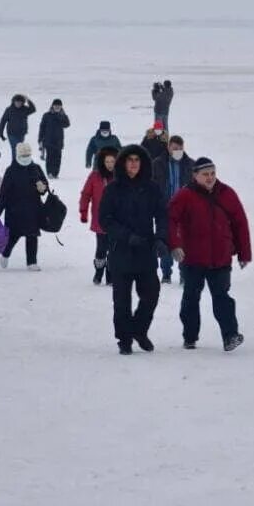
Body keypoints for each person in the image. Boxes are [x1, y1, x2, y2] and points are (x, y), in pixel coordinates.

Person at [169, 157, 251, 351]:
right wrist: (175, 245)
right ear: (195, 175)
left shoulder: (227, 193)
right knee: (190, 298)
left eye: (213, 173)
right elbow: (170, 220)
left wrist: (244, 253)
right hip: (192, 258)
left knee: (222, 297)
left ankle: (230, 336)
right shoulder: (184, 196)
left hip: (220, 257)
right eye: (205, 174)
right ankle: (190, 336)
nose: (210, 178)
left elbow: (240, 223)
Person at [99, 144, 169, 355]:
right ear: (122, 163)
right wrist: (126, 236)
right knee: (121, 301)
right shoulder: (112, 189)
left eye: (137, 160)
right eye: (129, 160)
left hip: (146, 251)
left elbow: (162, 215)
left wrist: (160, 238)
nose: (133, 164)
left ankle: (139, 329)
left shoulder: (152, 187)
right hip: (121, 252)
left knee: (151, 294)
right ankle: (124, 339)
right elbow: (105, 220)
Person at [0, 142, 49, 271]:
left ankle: (32, 262)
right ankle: (5, 254)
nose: (26, 157)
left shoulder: (36, 168)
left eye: (28, 154)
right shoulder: (11, 170)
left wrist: (43, 187)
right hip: (14, 209)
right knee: (13, 235)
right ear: (18, 155)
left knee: (32, 235)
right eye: (23, 155)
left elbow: (45, 185)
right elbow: (4, 192)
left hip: (33, 208)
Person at [151, 135, 193, 283]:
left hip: (184, 211)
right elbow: (151, 186)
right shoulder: (157, 164)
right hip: (164, 209)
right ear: (168, 148)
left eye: (180, 149)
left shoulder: (190, 165)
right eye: (175, 149)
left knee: (184, 241)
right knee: (165, 240)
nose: (178, 151)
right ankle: (166, 273)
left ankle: (184, 273)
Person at [79, 146, 119, 285]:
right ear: (103, 162)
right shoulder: (95, 176)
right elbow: (85, 194)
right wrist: (83, 212)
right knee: (101, 248)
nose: (110, 165)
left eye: (112, 162)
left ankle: (111, 274)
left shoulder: (120, 176)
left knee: (114, 249)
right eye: (107, 162)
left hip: (117, 220)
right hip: (100, 219)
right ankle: (99, 271)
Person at [38, 98, 70, 179]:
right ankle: (49, 173)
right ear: (52, 106)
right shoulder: (46, 115)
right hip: (48, 141)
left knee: (58, 158)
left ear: (61, 107)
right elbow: (42, 127)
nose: (57, 107)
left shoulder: (63, 115)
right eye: (55, 106)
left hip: (59, 141)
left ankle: (55, 173)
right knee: (49, 157)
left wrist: (61, 116)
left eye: (59, 106)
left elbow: (67, 124)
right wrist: (40, 139)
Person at [0, 94, 36, 160]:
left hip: (21, 133)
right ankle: (15, 163)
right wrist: (1, 133)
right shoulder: (9, 110)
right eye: (17, 102)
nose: (18, 103)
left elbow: (33, 109)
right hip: (11, 133)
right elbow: (3, 121)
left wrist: (28, 100)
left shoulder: (25, 109)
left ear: (22, 103)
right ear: (14, 101)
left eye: (20, 102)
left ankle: (19, 163)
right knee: (15, 148)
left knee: (19, 149)